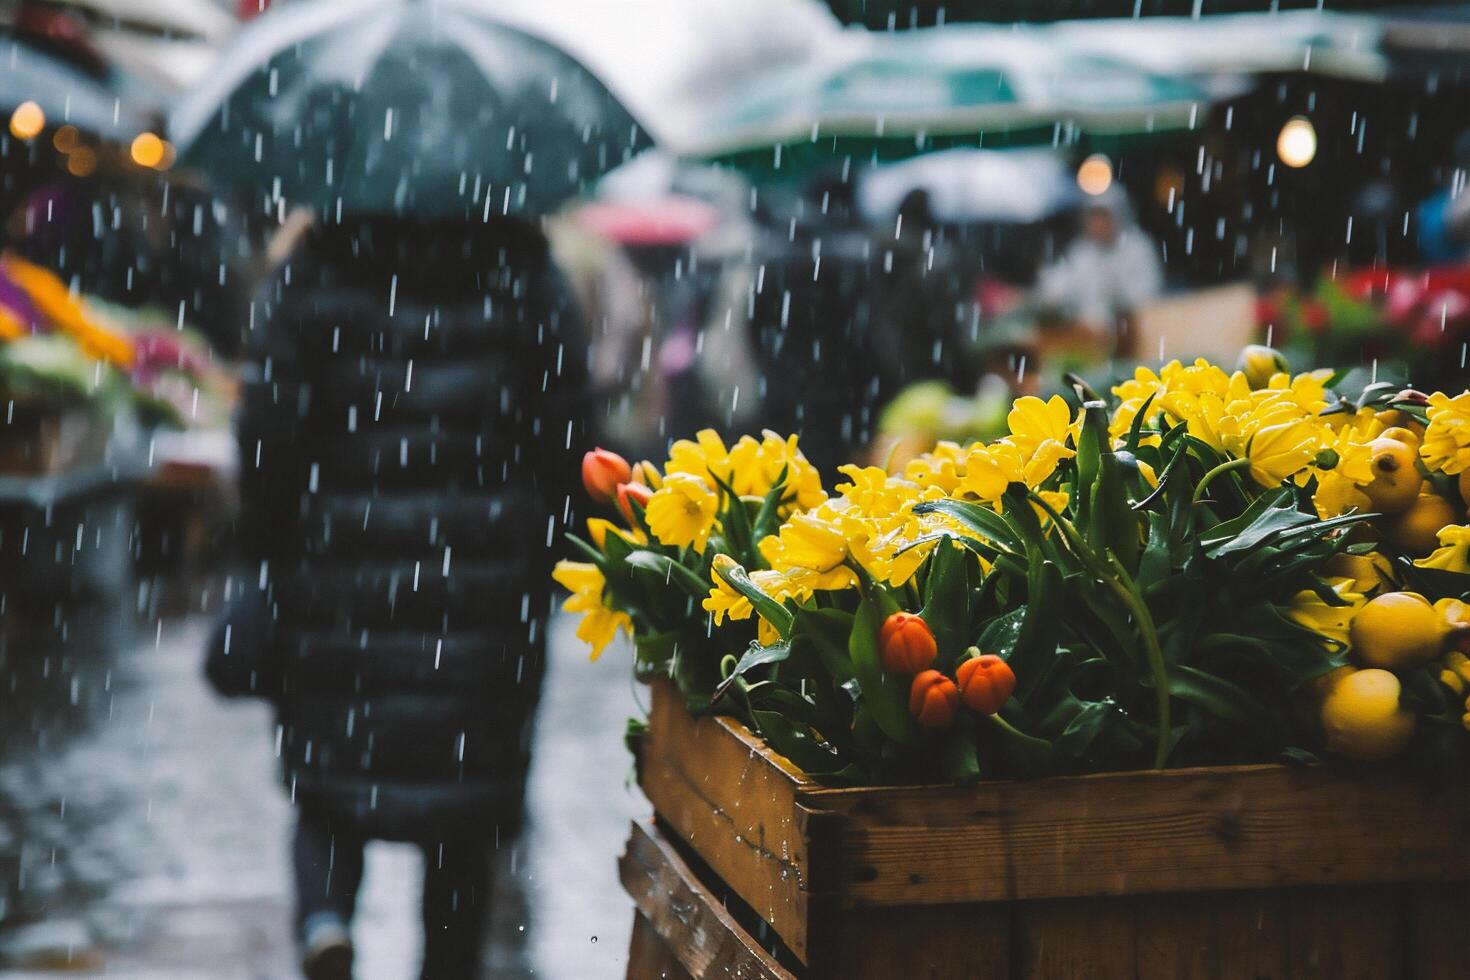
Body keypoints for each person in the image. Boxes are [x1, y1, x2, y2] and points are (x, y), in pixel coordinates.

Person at [206, 214, 586, 980]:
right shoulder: (526, 274)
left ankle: (325, 921)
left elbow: (265, 435)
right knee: (463, 813)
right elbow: (567, 434)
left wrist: (267, 544)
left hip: (337, 569)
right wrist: (546, 555)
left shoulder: (313, 268)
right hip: (484, 582)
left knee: (329, 782)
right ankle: (447, 962)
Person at [1037, 190, 1163, 354]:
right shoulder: (1081, 252)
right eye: (1093, 218)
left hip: (1132, 336)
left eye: (1103, 217)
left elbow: (1147, 294)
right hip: (1089, 340)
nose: (1098, 224)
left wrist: (1116, 297)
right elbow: (1061, 290)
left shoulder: (1138, 247)